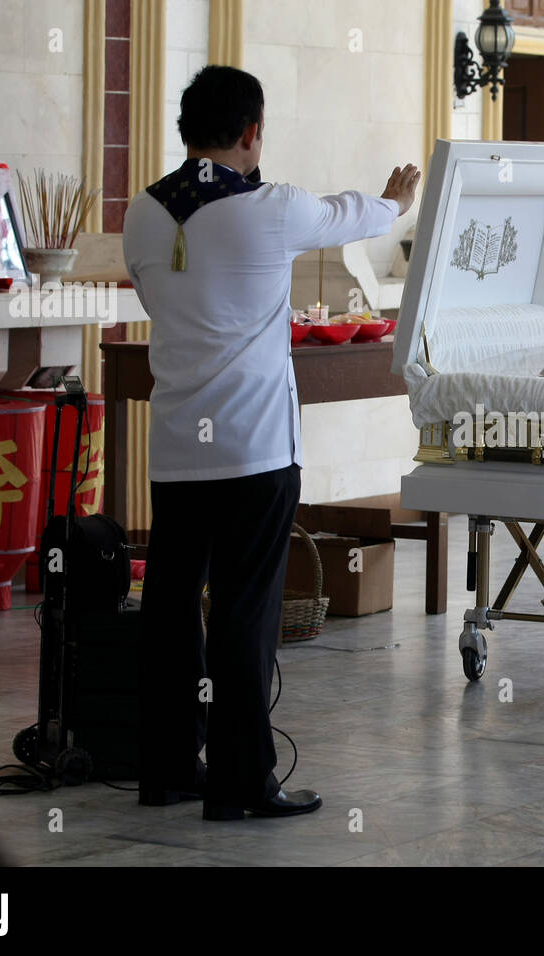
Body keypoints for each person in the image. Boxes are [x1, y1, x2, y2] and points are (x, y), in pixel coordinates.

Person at [123, 65, 420, 821]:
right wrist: (396, 200)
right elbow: (354, 216)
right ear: (251, 131)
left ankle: (166, 768)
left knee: (169, 607)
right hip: (253, 447)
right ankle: (241, 782)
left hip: (177, 448)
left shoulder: (144, 214)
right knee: (245, 617)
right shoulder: (272, 207)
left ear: (187, 128)